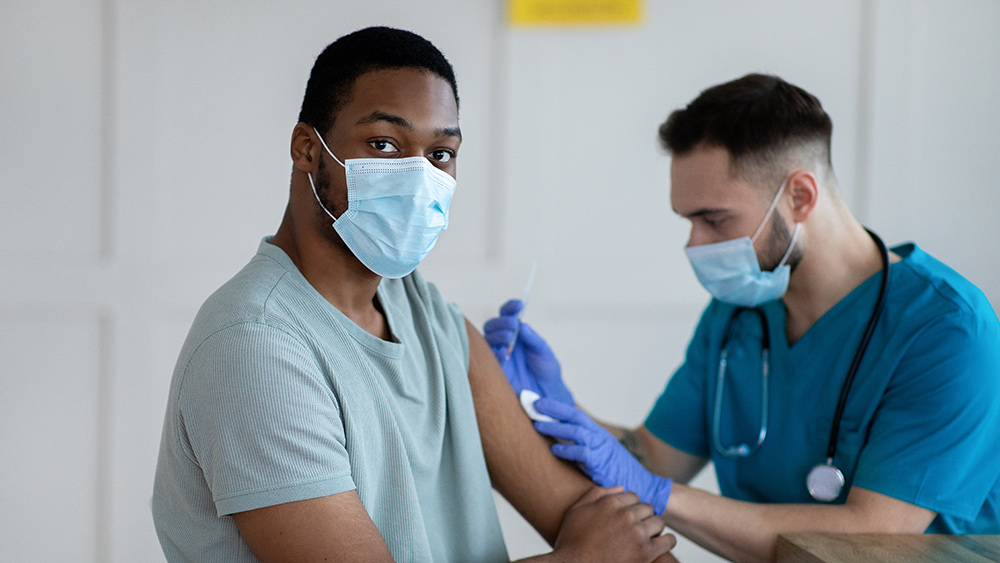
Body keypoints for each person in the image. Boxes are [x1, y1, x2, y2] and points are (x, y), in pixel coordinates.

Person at [151, 26, 678, 563]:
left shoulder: (426, 316)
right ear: (308, 149)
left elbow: (615, 529)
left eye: (441, 153)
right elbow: (601, 545)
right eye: (384, 144)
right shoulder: (256, 347)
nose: (419, 176)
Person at [485, 73, 1000, 562]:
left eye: (714, 219)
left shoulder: (948, 329)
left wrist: (661, 496)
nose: (695, 244)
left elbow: (878, 537)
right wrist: (553, 404)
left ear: (800, 196)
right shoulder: (737, 313)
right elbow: (651, 459)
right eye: (689, 221)